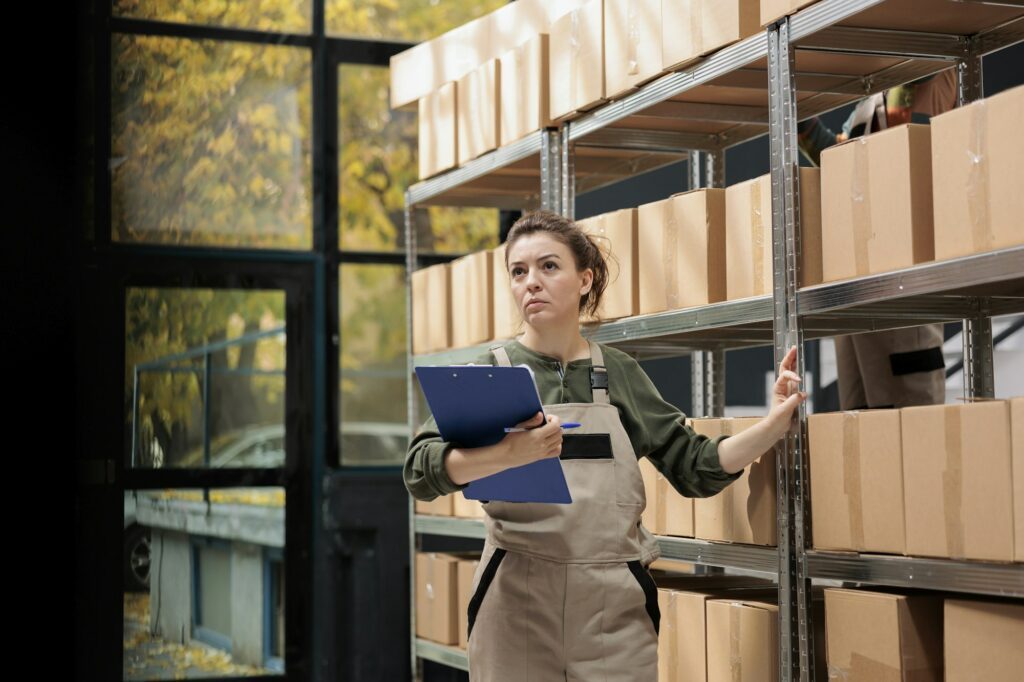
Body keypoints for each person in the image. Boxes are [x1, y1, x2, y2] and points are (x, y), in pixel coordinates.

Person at [404, 210, 807, 681]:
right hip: (515, 596)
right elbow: (419, 470)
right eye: (519, 271)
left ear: (584, 279)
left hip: (612, 600)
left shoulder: (617, 373)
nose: (531, 282)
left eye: (548, 266)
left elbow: (694, 465)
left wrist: (771, 425)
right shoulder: (489, 374)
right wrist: (508, 455)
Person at [798, 69, 957, 410]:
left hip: (902, 272)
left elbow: (900, 133)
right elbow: (841, 156)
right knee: (863, 420)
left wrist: (892, 74)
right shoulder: (870, 95)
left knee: (910, 418)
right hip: (859, 275)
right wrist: (800, 122)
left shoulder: (928, 73)